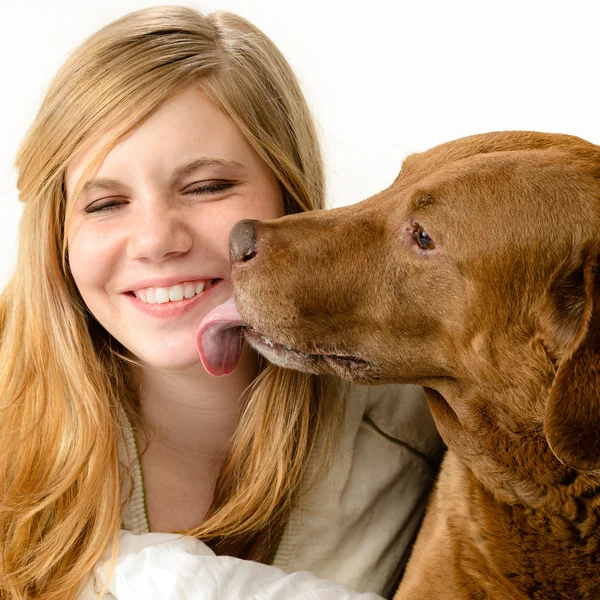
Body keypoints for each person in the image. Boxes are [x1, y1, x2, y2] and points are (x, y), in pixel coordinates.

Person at [0, 6, 443, 599]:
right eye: (104, 204)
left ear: (289, 196)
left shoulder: (421, 416)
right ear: (58, 233)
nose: (157, 240)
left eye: (206, 187)